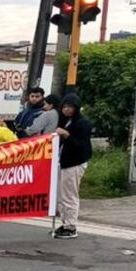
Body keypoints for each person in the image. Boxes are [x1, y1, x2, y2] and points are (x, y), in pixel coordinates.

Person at [54, 95, 92, 239]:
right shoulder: (65, 122)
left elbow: (81, 146)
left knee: (70, 195)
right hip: (63, 162)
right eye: (64, 107)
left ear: (76, 108)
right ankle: (65, 223)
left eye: (70, 107)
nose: (66, 109)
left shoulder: (82, 124)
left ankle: (71, 226)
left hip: (74, 163)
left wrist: (67, 135)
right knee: (62, 195)